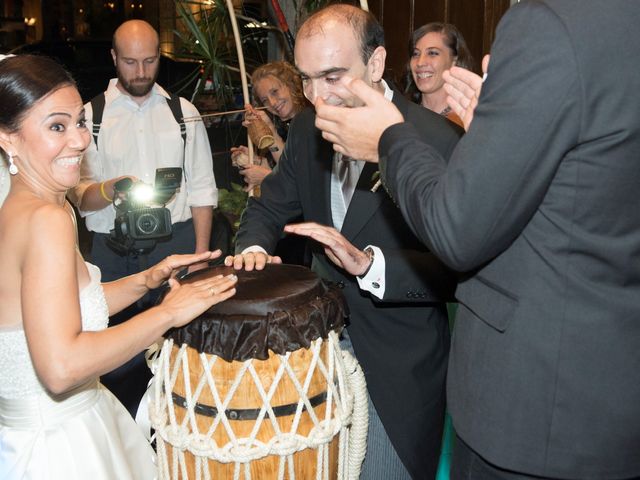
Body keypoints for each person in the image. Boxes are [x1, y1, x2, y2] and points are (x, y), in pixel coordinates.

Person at [312, 1, 640, 479]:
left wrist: (390, 142)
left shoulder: (550, 21)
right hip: (605, 392)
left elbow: (456, 230)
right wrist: (509, 130)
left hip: (533, 410)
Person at [225, 4, 463, 479]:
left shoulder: (434, 140)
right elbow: (269, 206)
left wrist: (371, 267)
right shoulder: (307, 133)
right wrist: (253, 250)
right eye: (307, 80)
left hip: (397, 368)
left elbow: (458, 264)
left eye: (333, 76)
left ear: (375, 64)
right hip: (315, 357)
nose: (318, 97)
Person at [0, 54, 237, 480]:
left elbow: (56, 311)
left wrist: (146, 279)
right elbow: (61, 367)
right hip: (58, 450)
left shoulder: (29, 207)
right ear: (8, 138)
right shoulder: (46, 219)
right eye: (56, 126)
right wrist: (167, 313)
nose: (79, 140)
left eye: (77, 122)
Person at [68, 19, 218, 416]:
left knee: (182, 350)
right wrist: (111, 188)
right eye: (130, 62)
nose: (140, 72)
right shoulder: (89, 116)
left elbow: (202, 188)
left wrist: (200, 256)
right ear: (114, 58)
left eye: (149, 61)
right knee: (115, 363)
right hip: (112, 251)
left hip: (177, 242)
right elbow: (81, 199)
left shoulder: (181, 112)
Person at [231, 60, 309, 192]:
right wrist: (255, 160)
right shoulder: (282, 126)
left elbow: (304, 180)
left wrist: (266, 177)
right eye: (265, 100)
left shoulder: (313, 121)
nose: (272, 103)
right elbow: (283, 164)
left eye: (274, 92)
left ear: (291, 85)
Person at [404, 22, 473, 128]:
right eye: (416, 54)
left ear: (454, 60)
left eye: (432, 53)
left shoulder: (468, 121)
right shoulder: (400, 115)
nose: (420, 62)